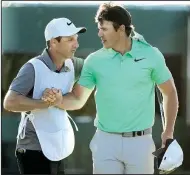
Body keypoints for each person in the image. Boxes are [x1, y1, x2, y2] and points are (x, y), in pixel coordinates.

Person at [42, 2, 179, 174]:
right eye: (99, 28)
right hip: (105, 143)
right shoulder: (94, 61)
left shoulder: (151, 55)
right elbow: (77, 99)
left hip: (141, 143)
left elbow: (170, 92)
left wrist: (168, 132)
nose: (99, 33)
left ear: (120, 29)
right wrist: (59, 100)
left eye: (104, 29)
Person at [3, 17, 86, 175]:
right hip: (32, 149)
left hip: (59, 146)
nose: (76, 44)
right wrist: (44, 103)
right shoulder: (31, 68)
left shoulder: (74, 64)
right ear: (54, 42)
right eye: (70, 40)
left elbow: (94, 68)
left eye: (76, 39)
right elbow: (9, 102)